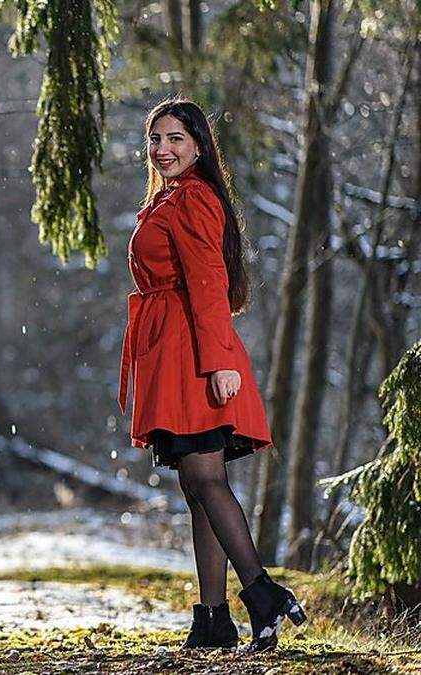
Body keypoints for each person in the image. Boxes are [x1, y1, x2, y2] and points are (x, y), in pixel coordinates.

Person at [117, 97, 307, 653]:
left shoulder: (194, 198)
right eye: (156, 139)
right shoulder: (167, 199)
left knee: (206, 481)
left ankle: (261, 592)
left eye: (176, 139)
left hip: (194, 355)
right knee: (195, 486)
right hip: (171, 351)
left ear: (199, 146)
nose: (163, 149)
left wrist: (221, 361)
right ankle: (213, 618)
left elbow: (207, 281)